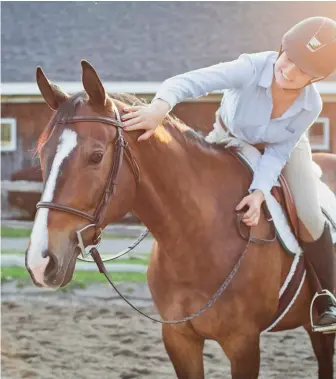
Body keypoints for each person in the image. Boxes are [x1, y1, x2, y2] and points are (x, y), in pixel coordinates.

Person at [121, 17, 336, 331]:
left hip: (282, 149)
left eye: (302, 71)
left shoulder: (310, 105)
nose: (288, 71)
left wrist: (260, 191)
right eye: (288, 58)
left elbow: (277, 152)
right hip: (228, 139)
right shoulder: (251, 67)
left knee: (309, 211)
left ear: (316, 78)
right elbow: (186, 82)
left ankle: (327, 297)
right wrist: (158, 108)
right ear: (282, 48)